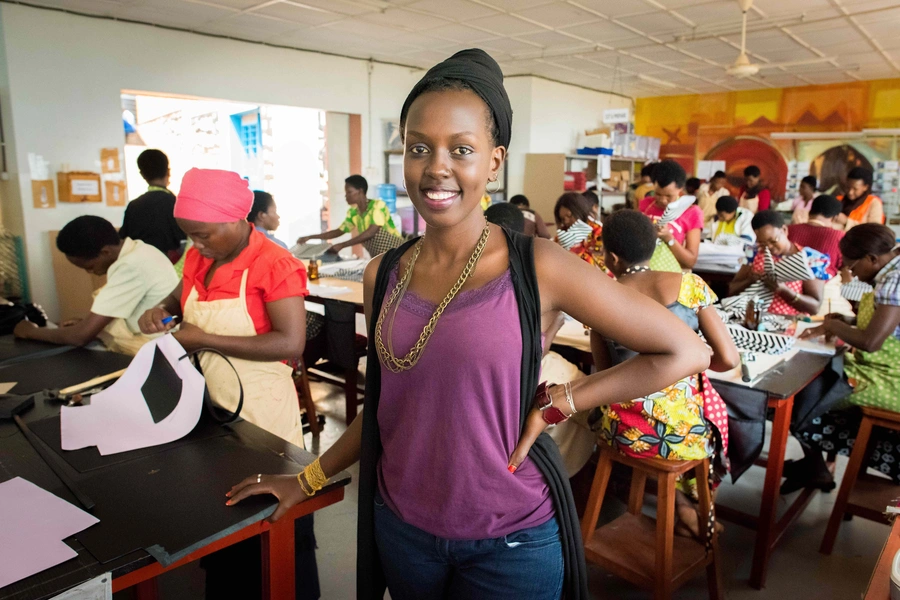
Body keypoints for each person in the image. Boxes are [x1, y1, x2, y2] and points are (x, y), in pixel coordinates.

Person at [225, 48, 709, 600]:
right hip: (402, 530)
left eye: (461, 149)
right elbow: (387, 405)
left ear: (494, 162)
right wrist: (307, 478)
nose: (436, 167)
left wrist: (565, 400)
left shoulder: (539, 265)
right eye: (418, 148)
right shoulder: (383, 273)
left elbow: (684, 351)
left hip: (509, 542)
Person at [137, 168, 318, 600]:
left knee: (272, 530)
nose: (194, 246)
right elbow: (180, 298)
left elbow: (290, 342)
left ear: (238, 218)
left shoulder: (274, 263)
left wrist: (202, 338)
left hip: (263, 416)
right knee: (224, 526)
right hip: (212, 412)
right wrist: (159, 307)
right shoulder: (200, 257)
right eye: (188, 236)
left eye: (202, 235)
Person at [592, 209, 738, 537]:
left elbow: (604, 373)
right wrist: (687, 366)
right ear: (653, 247)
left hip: (625, 431)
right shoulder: (690, 285)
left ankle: (680, 508)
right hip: (681, 437)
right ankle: (695, 507)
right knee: (711, 414)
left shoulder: (598, 296)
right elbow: (728, 359)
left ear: (612, 257)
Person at [793, 224, 900, 491]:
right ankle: (814, 464)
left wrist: (833, 326)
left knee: (805, 393)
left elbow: (872, 342)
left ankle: (816, 462)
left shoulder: (893, 279)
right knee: (814, 379)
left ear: (871, 259)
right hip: (882, 367)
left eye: (853, 268)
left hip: (890, 378)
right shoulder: (890, 271)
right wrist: (847, 321)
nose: (850, 274)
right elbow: (886, 327)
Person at [13, 216, 178, 356]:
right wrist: (88, 323)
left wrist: (30, 332)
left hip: (157, 349)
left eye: (89, 266)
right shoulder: (141, 249)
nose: (89, 273)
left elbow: (79, 337)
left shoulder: (130, 265)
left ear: (105, 252)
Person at [728, 210, 828, 316]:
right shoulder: (752, 252)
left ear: (784, 230)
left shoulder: (811, 259)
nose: (768, 247)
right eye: (762, 243)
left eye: (773, 240)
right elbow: (732, 289)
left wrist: (784, 291)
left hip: (789, 323)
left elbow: (815, 307)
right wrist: (750, 280)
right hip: (752, 319)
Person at [296, 175, 403, 256]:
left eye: (349, 192)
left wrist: (342, 245)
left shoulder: (377, 206)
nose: (346, 196)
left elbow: (371, 232)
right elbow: (339, 231)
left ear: (360, 191)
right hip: (380, 256)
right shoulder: (353, 213)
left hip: (397, 252)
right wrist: (311, 237)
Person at [119, 149, 187, 264]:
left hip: (140, 265)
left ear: (142, 175)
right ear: (168, 171)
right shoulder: (176, 203)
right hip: (170, 267)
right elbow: (184, 241)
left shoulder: (134, 206)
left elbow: (124, 240)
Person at [640, 159, 704, 271]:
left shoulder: (692, 212)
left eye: (669, 196)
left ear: (681, 189)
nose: (663, 200)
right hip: (644, 275)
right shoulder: (646, 205)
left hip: (674, 279)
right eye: (658, 194)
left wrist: (668, 238)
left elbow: (690, 262)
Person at [788, 194, 844, 277]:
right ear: (835, 218)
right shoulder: (838, 236)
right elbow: (843, 266)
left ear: (810, 212)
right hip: (824, 286)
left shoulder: (788, 230)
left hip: (789, 282)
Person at [554, 192, 605, 271]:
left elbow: (602, 262)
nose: (566, 221)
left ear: (580, 211)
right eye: (563, 219)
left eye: (569, 216)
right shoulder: (562, 235)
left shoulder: (597, 231)